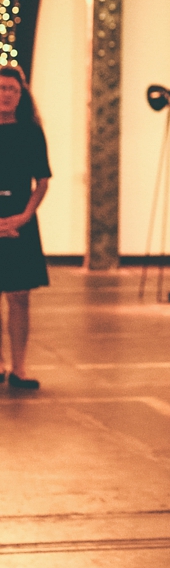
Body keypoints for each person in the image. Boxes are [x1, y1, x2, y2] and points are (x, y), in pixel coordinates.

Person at [0, 64, 50, 390]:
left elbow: (42, 181)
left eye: (12, 90)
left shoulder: (31, 131)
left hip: (20, 219)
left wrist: (24, 216)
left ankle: (19, 369)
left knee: (19, 297)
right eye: (2, 88)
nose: (6, 95)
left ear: (21, 95)